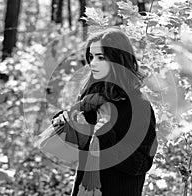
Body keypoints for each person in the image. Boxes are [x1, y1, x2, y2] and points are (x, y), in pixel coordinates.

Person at [52, 27, 157, 196]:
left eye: (101, 57)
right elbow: (81, 146)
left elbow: (141, 163)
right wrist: (66, 123)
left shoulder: (139, 105)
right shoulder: (90, 99)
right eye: (91, 57)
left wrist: (106, 136)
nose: (93, 63)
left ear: (118, 60)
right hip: (84, 189)